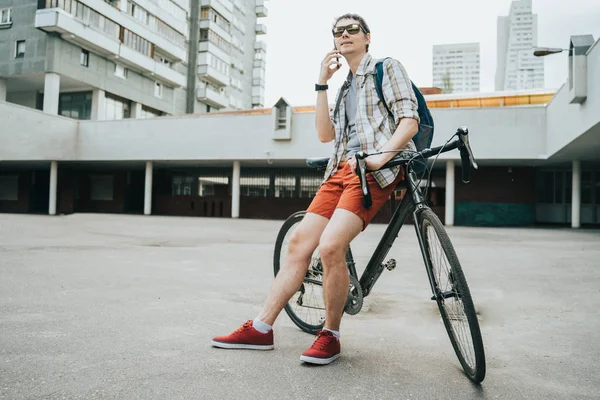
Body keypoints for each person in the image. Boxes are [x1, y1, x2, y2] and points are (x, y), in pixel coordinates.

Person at [211, 13, 420, 365]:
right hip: (339, 171)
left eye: (352, 30)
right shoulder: (345, 88)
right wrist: (322, 83)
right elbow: (326, 135)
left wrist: (379, 159)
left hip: (374, 170)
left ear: (367, 37)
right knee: (298, 244)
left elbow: (409, 121)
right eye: (338, 32)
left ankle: (331, 334)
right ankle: (261, 328)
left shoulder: (387, 68)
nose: (344, 35)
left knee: (331, 246)